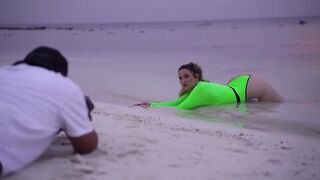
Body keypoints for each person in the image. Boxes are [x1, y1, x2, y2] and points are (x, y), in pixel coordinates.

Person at [0, 46, 98, 177]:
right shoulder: (66, 87)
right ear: (61, 73)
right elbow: (87, 146)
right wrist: (73, 120)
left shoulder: (3, 72)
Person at [135, 62, 284, 110]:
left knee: (281, 104)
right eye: (180, 78)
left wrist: (153, 107)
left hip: (251, 86)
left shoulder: (200, 89)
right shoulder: (196, 89)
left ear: (196, 76)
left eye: (186, 76)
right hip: (237, 85)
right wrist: (152, 104)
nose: (182, 81)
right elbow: (175, 103)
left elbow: (181, 108)